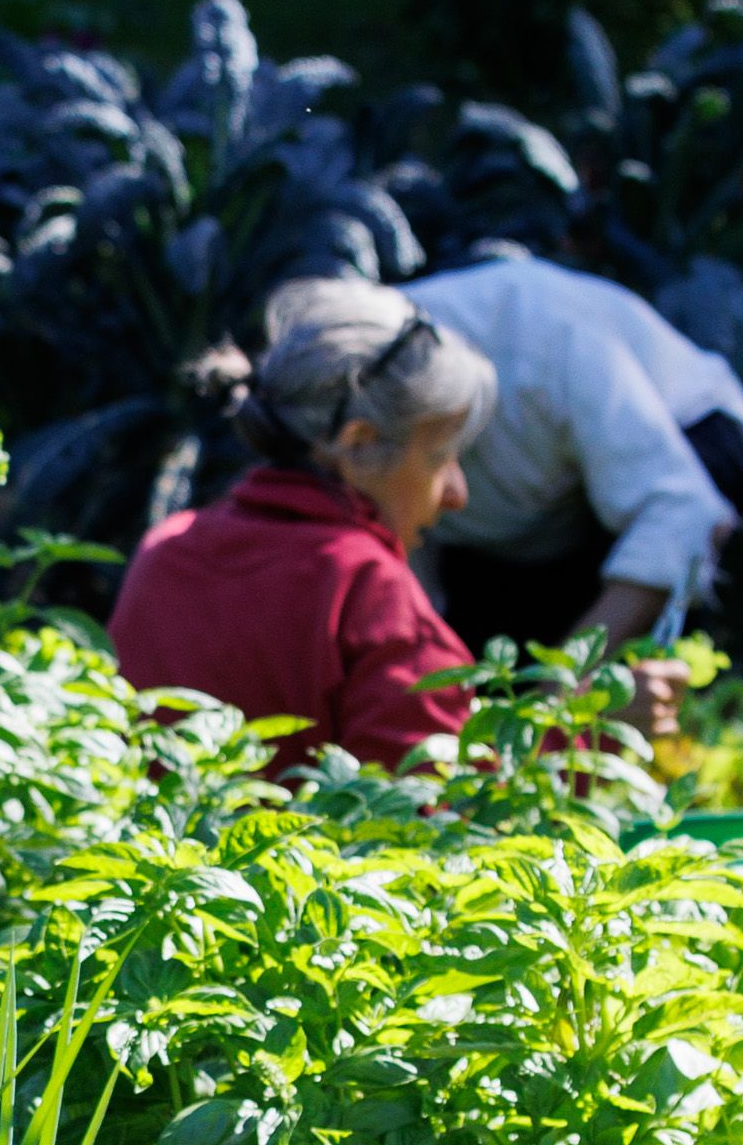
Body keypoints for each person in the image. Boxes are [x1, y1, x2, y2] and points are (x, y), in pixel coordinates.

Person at [103, 277, 499, 773]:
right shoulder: (369, 590)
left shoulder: (168, 548)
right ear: (359, 444)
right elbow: (429, 811)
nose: (456, 494)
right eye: (441, 457)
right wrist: (588, 739)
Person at [399, 253, 743, 652]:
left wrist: (556, 700)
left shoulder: (545, 342)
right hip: (531, 535)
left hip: (692, 460)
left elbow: (683, 512)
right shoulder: (357, 397)